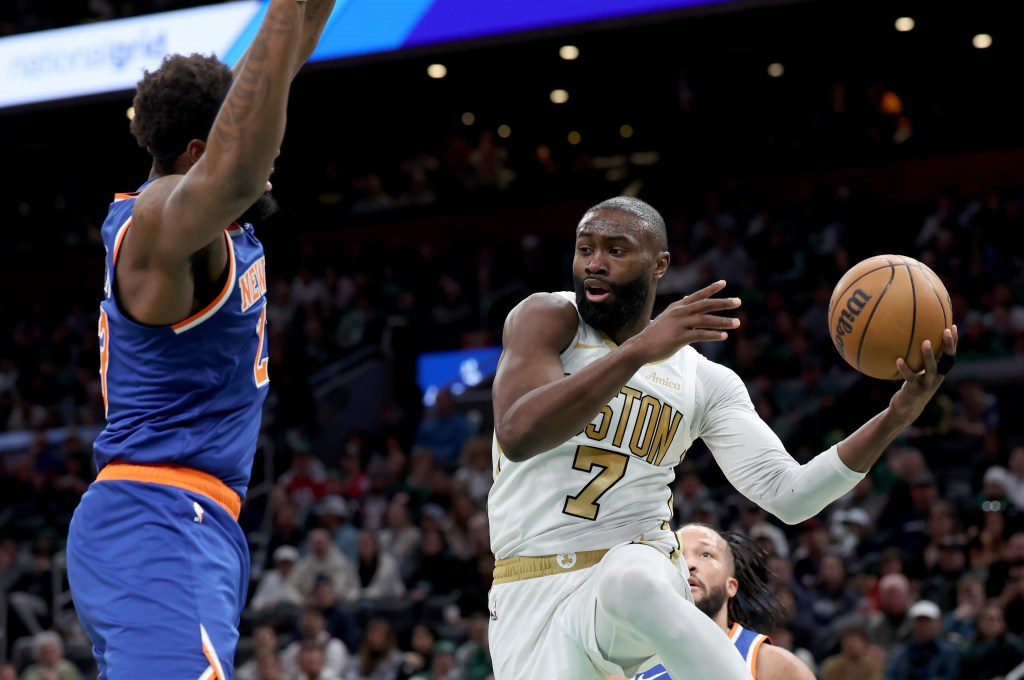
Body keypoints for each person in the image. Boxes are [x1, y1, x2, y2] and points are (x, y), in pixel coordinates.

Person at [487, 195, 958, 679]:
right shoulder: (548, 318)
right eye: (585, 249)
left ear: (660, 264)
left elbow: (790, 496)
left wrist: (895, 417)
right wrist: (638, 352)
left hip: (636, 580)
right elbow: (519, 433)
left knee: (632, 573)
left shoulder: (704, 380)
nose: (595, 264)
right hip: (529, 592)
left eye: (617, 250)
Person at [63, 0, 337, 677]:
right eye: (254, 141)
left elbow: (282, 56)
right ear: (198, 153)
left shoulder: (198, 210)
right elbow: (239, 169)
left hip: (181, 519)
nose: (269, 156)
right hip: (157, 517)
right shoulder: (160, 222)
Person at [626, 524, 815, 680]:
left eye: (706, 554)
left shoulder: (775, 667)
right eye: (677, 556)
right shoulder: (629, 669)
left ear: (731, 586)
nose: (688, 565)